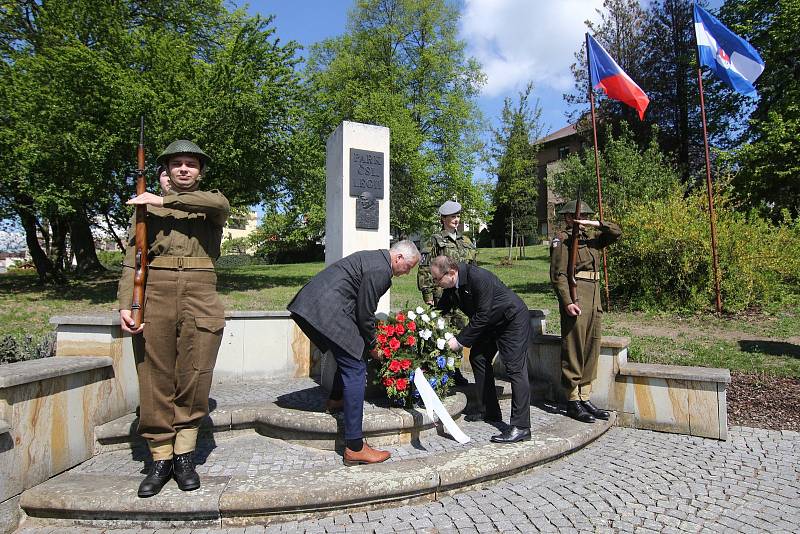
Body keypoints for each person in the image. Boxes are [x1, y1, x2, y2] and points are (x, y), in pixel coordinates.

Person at [118, 140, 230, 497]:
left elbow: (218, 204)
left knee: (195, 373)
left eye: (191, 164)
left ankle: (185, 456)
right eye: (177, 164)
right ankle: (160, 457)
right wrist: (126, 303)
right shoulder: (146, 212)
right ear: (166, 170)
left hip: (200, 292)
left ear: (200, 171)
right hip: (157, 293)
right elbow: (132, 260)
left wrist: (162, 199)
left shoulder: (210, 204)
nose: (184, 169)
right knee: (155, 374)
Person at [288, 241, 421, 465]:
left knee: (350, 352)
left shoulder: (374, 259)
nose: (407, 272)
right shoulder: (381, 270)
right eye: (408, 267)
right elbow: (365, 312)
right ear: (398, 258)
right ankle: (355, 447)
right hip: (327, 311)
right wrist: (373, 345)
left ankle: (336, 399)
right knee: (356, 368)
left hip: (314, 306)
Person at [430, 255, 532, 443]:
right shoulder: (453, 285)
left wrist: (459, 341)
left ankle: (521, 427)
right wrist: (424, 321)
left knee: (515, 369)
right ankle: (490, 412)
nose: (436, 283)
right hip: (491, 324)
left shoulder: (478, 278)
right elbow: (440, 309)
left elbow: (483, 315)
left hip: (511, 321)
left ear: (451, 273)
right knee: (478, 357)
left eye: (437, 279)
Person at [549, 200, 621, 423]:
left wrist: (595, 222)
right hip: (577, 296)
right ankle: (572, 400)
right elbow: (558, 275)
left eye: (586, 217)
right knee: (574, 347)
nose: (583, 222)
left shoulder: (592, 239)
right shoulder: (563, 240)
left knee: (591, 346)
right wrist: (567, 301)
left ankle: (585, 396)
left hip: (594, 297)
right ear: (569, 218)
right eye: (580, 217)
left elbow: (616, 232)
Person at [417, 200, 477, 386]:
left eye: (458, 216)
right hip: (441, 296)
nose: (456, 220)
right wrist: (428, 296)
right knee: (442, 332)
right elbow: (425, 268)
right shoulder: (434, 240)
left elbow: (474, 269)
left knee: (460, 331)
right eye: (452, 217)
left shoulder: (466, 241)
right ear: (443, 219)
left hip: (462, 296)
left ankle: (455, 369)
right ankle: (442, 369)